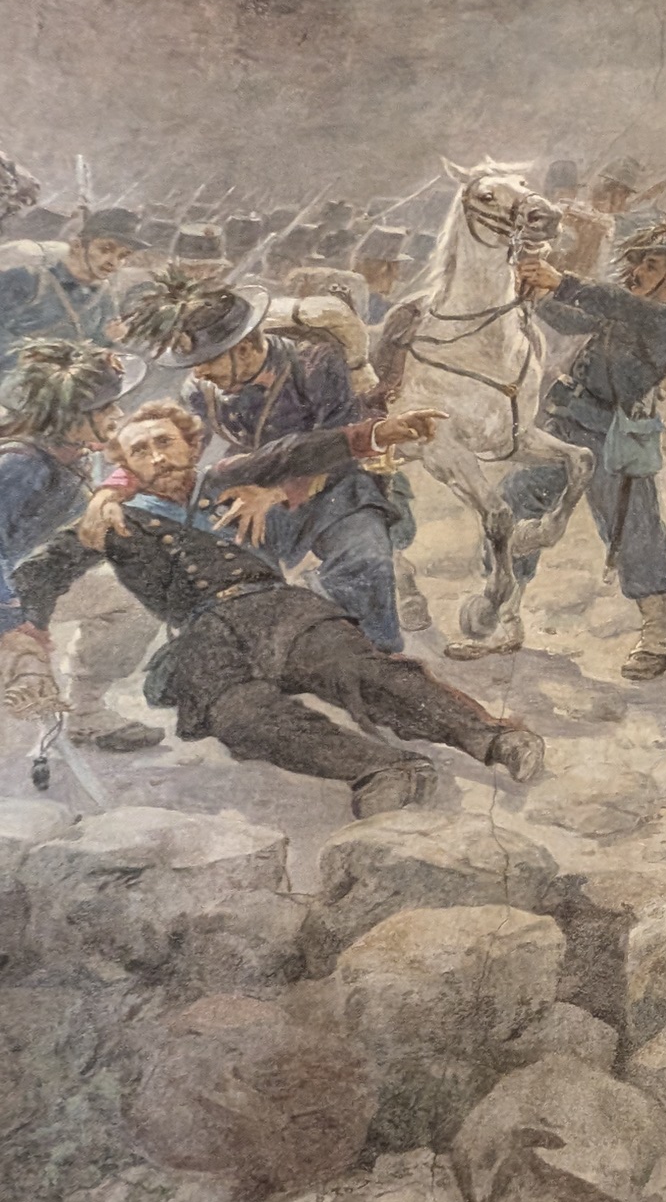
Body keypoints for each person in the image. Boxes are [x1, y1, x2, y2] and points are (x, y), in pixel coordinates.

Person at [1, 401, 538, 818]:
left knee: (358, 669)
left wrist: (374, 434)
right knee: (238, 717)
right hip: (203, 637)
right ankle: (385, 770)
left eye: (165, 442)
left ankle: (495, 738)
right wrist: (24, 643)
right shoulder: (113, 520)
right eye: (140, 451)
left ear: (191, 445)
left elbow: (291, 453)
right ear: (125, 467)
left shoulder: (225, 478)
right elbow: (39, 573)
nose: (157, 457)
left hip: (278, 609)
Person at [117, 270, 407, 652]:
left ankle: (371, 654)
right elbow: (179, 449)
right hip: (248, 492)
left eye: (208, 360)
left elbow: (341, 447)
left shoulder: (316, 363)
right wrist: (114, 488)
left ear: (244, 349)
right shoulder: (200, 390)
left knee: (365, 560)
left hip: (333, 489)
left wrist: (274, 494)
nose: (199, 372)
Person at [502, 224, 666, 680]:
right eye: (641, 262)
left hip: (615, 435)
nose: (639, 272)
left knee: (633, 529)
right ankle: (504, 605)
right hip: (568, 422)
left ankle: (657, 632)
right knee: (516, 497)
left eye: (653, 266)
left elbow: (617, 304)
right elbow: (575, 320)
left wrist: (561, 281)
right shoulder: (626, 307)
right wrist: (536, 296)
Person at [0, 339, 162, 751]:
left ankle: (85, 712)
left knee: (135, 599)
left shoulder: (74, 452)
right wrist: (13, 624)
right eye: (105, 409)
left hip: (26, 582)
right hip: (6, 595)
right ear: (69, 419)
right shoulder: (20, 466)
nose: (118, 415)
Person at [0, 207, 151, 369]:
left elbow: (90, 348)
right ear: (77, 245)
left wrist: (108, 339)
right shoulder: (27, 279)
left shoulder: (104, 296)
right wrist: (24, 357)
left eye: (123, 256)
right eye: (105, 250)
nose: (113, 262)